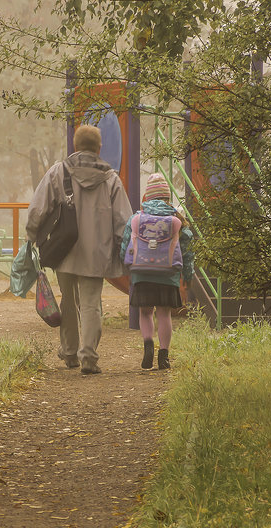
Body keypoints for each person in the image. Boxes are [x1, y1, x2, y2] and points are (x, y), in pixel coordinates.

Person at [26, 124, 133, 375]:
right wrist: (125, 250)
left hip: (63, 250)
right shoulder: (111, 179)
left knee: (68, 300)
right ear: (99, 147)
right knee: (91, 303)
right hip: (97, 252)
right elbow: (123, 221)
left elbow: (37, 209)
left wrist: (32, 235)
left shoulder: (58, 172)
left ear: (75, 146)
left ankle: (70, 352)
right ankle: (89, 358)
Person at [121, 172, 195, 370]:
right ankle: (164, 356)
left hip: (141, 273)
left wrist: (126, 266)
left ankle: (147, 345)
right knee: (164, 314)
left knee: (145, 313)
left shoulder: (136, 218)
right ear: (166, 197)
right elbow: (187, 250)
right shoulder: (176, 219)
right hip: (168, 274)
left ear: (147, 197)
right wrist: (187, 276)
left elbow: (125, 246)